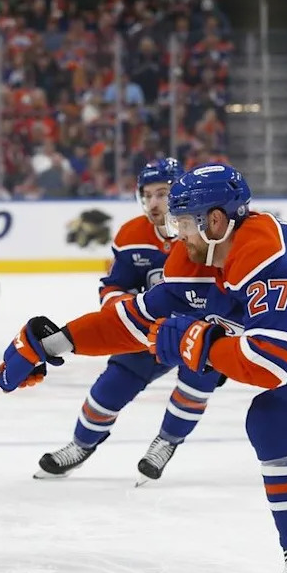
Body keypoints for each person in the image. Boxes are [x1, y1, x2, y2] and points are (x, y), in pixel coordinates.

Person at [0, 163, 287, 573]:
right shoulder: (194, 259)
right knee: (278, 417)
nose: (175, 233)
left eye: (183, 222)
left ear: (215, 221)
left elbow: (269, 362)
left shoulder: (265, 250)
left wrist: (201, 343)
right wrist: (52, 343)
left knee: (276, 418)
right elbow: (133, 321)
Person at [36, 158, 223, 485]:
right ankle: (82, 445)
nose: (154, 203)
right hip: (149, 329)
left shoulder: (204, 230)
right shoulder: (132, 234)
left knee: (197, 381)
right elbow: (115, 285)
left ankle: (167, 441)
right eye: (147, 195)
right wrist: (120, 308)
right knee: (111, 385)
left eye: (162, 194)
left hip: (200, 327)